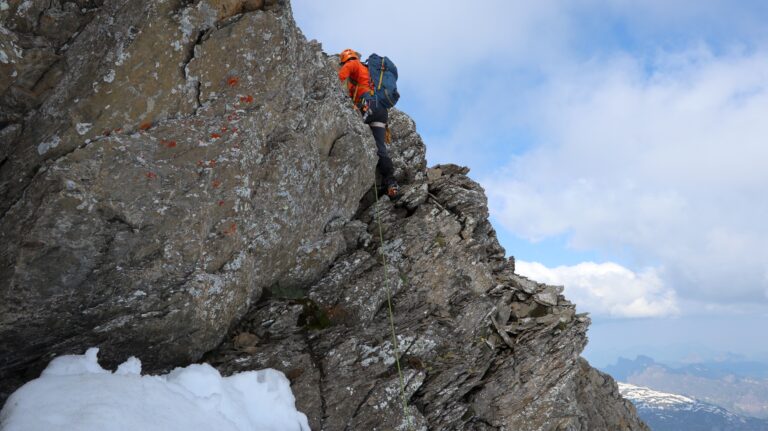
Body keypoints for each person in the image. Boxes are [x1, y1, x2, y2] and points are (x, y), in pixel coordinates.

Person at [338, 48, 399, 198]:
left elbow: (343, 73)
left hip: (368, 105)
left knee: (352, 130)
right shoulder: (369, 73)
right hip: (381, 112)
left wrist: (334, 80)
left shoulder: (354, 64)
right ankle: (391, 183)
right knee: (381, 149)